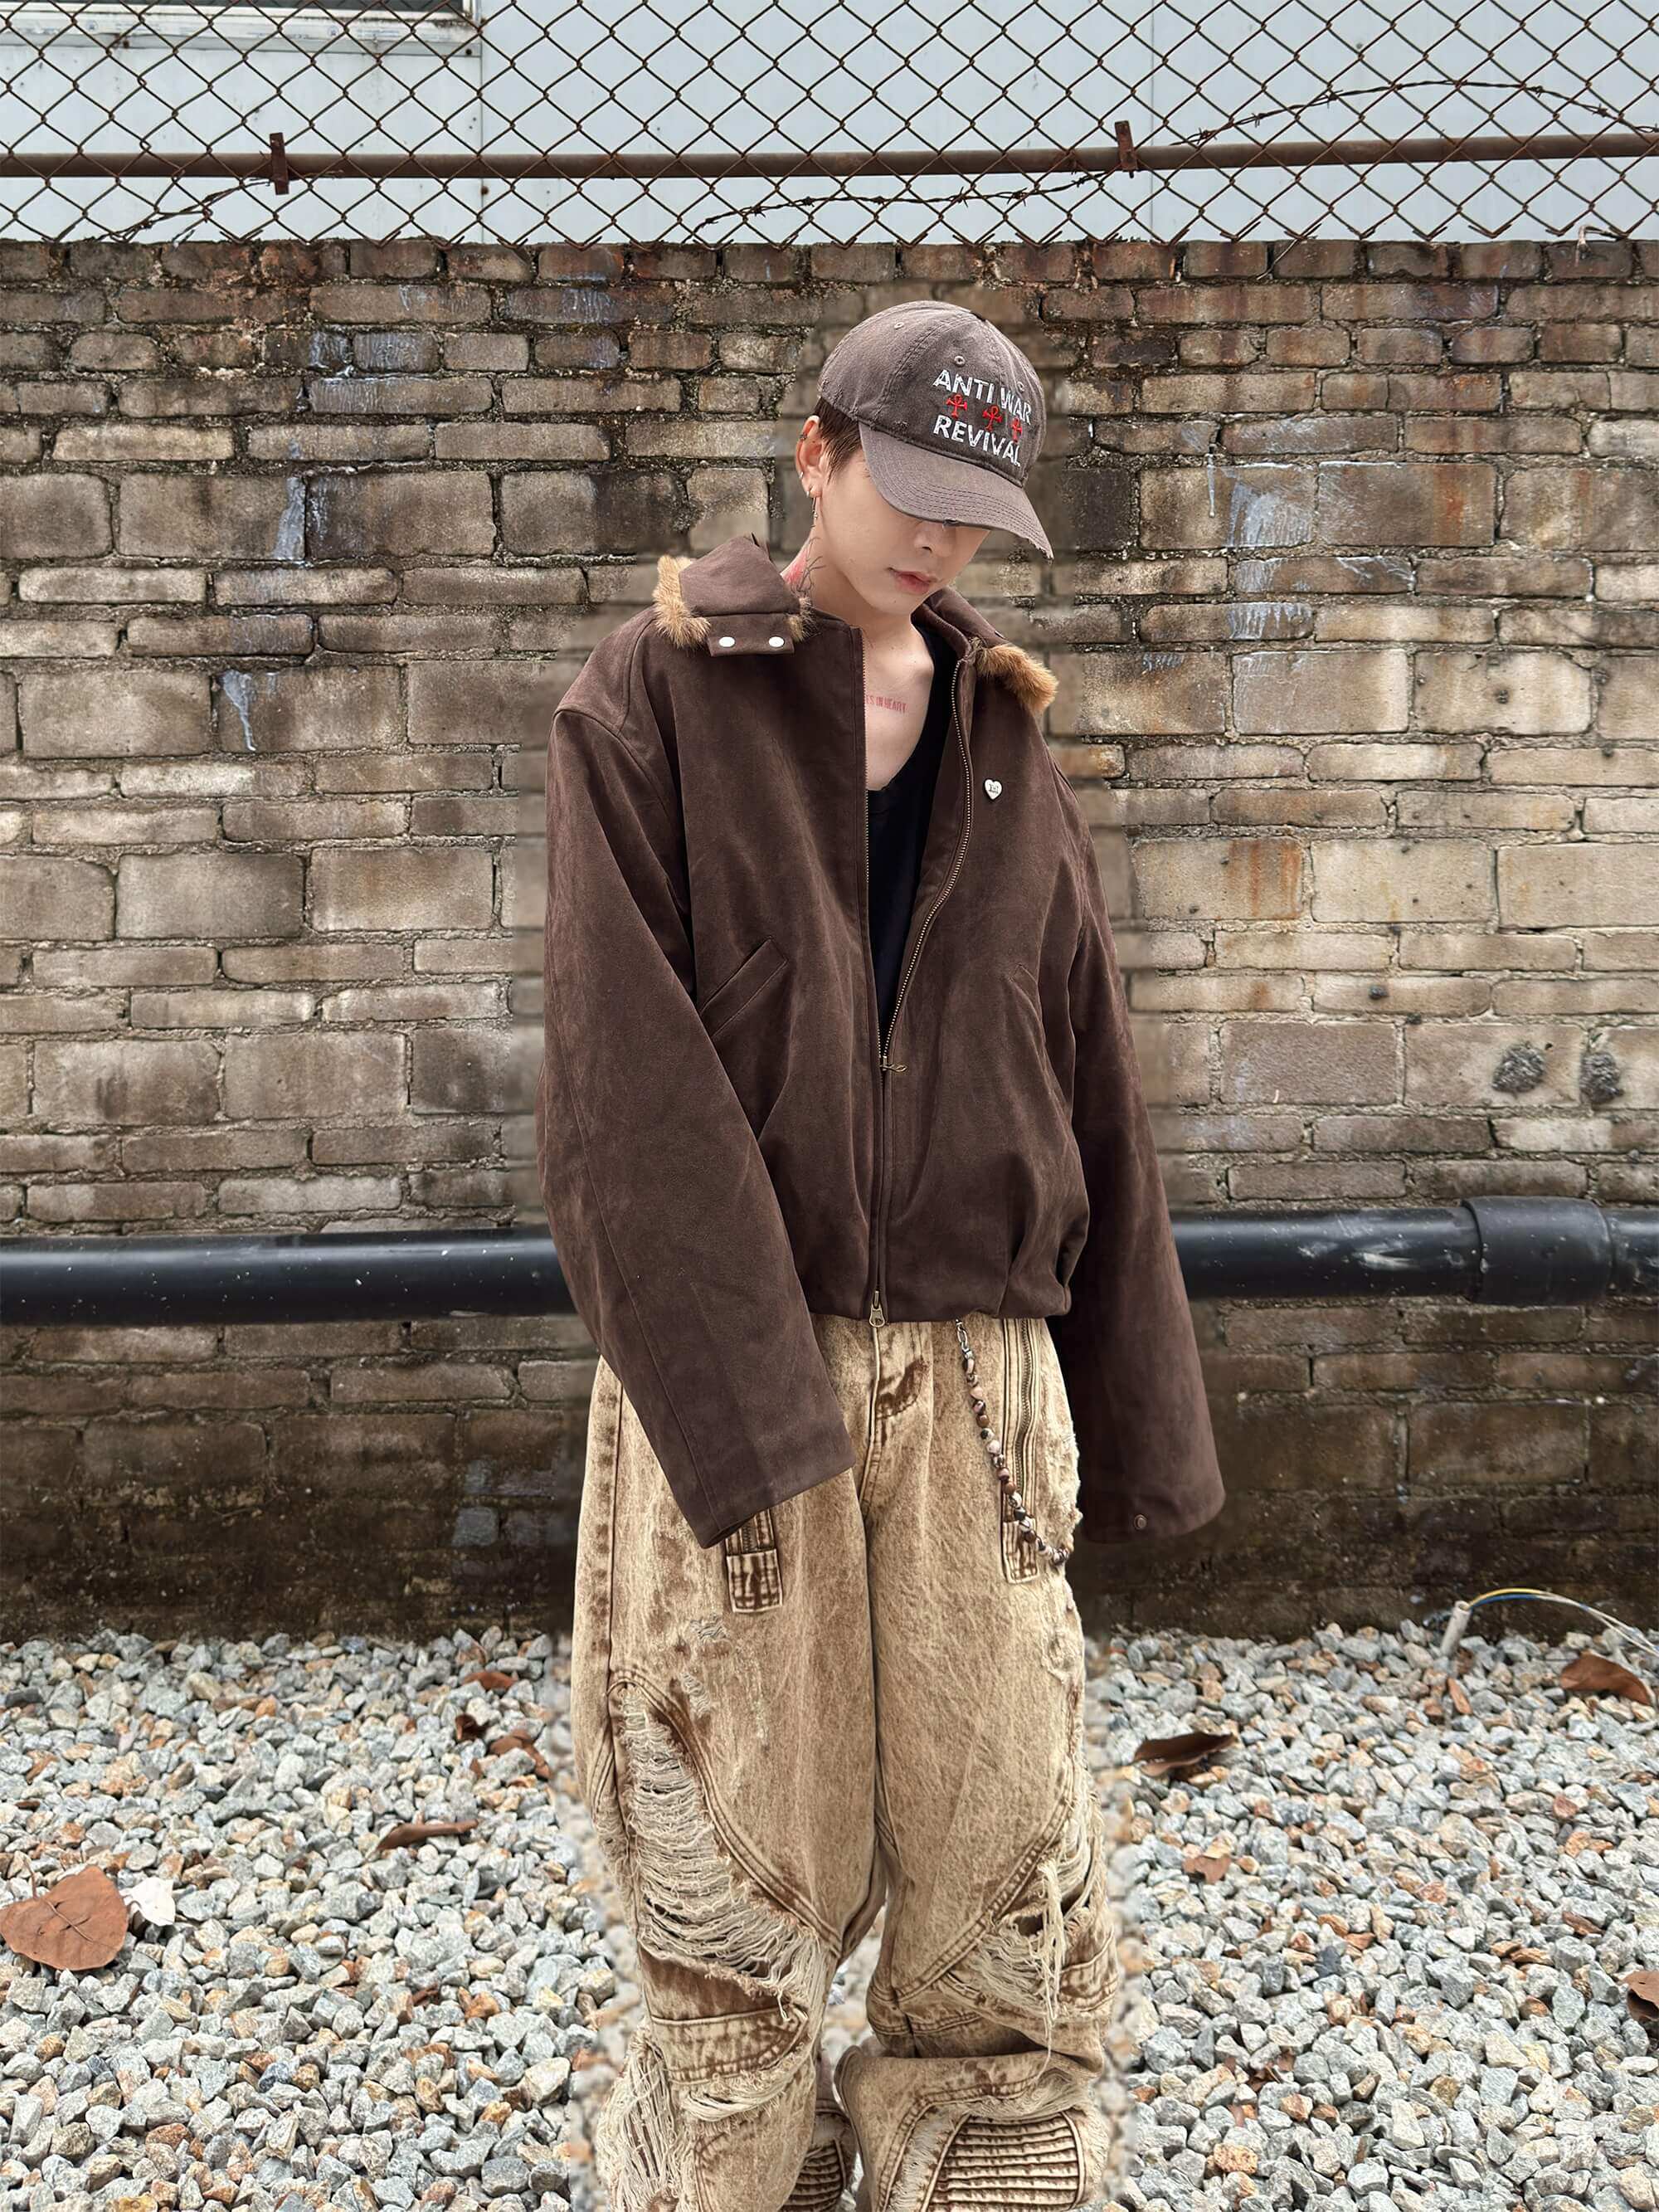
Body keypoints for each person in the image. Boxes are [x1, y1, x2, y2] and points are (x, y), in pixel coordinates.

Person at [534, 299, 1226, 2212]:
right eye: (906, 488)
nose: (936, 537)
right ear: (815, 454)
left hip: (983, 1393)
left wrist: (1137, 1415)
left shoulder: (1005, 735)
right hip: (738, 1375)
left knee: (1003, 1851)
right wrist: (748, 1417)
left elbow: (1080, 1067)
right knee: (731, 1855)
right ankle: (731, 2177)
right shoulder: (651, 699)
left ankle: (980, 2168)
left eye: (973, 510)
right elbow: (618, 1085)